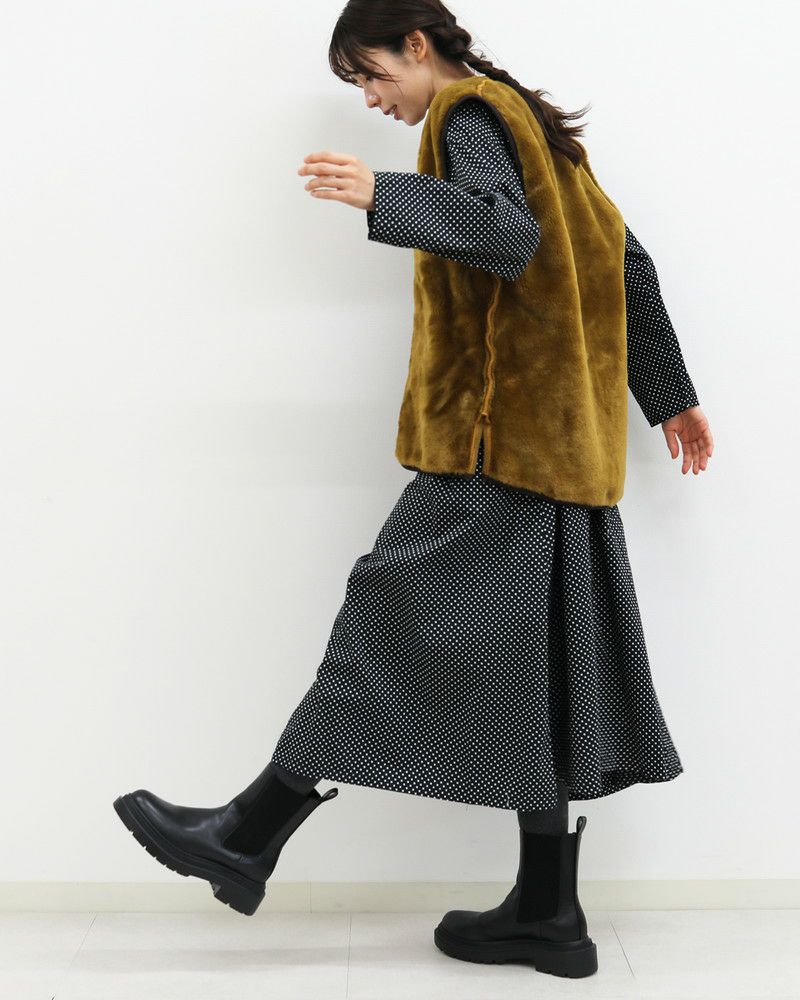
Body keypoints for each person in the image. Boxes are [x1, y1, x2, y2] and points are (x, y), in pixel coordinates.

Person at [113, 0, 714, 980]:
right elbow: (623, 261)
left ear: (418, 45)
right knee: (537, 669)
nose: (370, 98)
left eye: (371, 73)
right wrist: (671, 397)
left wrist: (378, 195)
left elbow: (503, 233)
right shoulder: (535, 124)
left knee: (384, 610)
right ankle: (547, 912)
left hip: (493, 444)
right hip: (560, 449)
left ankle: (249, 831)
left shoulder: (469, 115)